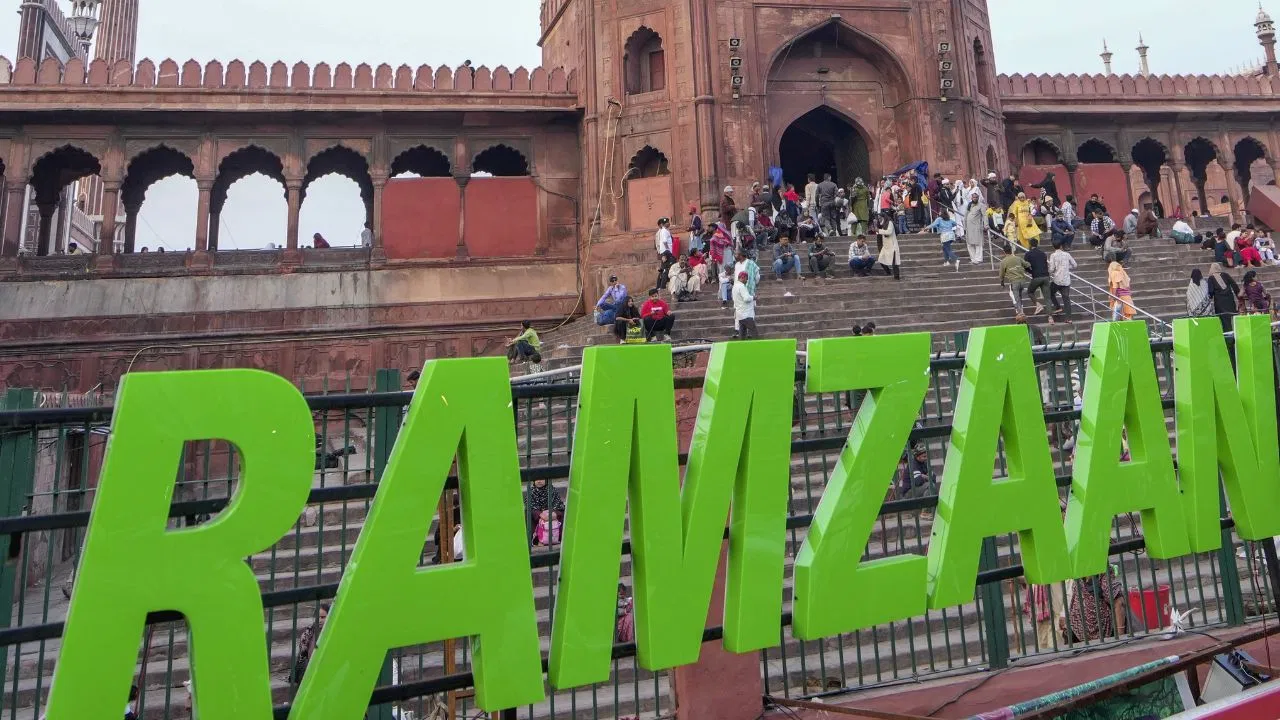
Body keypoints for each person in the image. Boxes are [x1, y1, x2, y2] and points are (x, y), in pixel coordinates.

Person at [1066, 567, 1127, 642]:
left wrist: (1120, 636)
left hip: (1104, 630)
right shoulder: (1078, 577)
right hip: (1079, 630)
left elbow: (1119, 603)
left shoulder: (1103, 574)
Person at [290, 604, 330, 692]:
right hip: (310, 666)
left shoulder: (332, 632)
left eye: (323, 617)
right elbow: (302, 655)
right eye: (317, 617)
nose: (319, 620)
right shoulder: (309, 632)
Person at [998, 242, 1032, 318]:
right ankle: (1021, 311)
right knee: (1020, 296)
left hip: (1014, 282)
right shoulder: (1018, 258)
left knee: (1017, 298)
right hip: (1022, 280)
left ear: (1004, 252)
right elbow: (1027, 264)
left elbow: (1001, 274)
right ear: (1011, 250)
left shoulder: (1003, 261)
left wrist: (1002, 282)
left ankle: (1020, 313)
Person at [1206, 263, 1241, 332]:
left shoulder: (1211, 278)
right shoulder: (1225, 275)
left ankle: (1227, 335)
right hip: (1229, 299)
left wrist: (1210, 297)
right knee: (1232, 315)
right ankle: (1235, 332)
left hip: (1219, 302)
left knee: (1223, 318)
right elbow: (1234, 285)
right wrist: (1238, 294)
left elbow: (1211, 291)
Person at [1048, 241, 1077, 323]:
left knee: (1050, 292)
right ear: (1061, 246)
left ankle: (1057, 306)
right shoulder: (1067, 254)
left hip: (1057, 279)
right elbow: (1075, 265)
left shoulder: (1053, 255)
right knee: (1066, 299)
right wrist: (1067, 267)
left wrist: (1049, 272)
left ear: (1053, 247)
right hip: (1066, 280)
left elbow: (1051, 269)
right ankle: (1069, 318)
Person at [1024, 238, 1051, 316]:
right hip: (1046, 276)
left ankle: (1038, 305)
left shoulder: (1028, 254)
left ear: (1030, 245)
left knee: (1030, 292)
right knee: (1047, 298)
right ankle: (1050, 317)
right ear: (1037, 244)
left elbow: (1025, 266)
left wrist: (1031, 272)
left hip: (1036, 277)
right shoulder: (1043, 253)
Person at [875, 212, 901, 279]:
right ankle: (888, 271)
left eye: (880, 218)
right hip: (885, 246)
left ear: (883, 217)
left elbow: (889, 232)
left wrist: (879, 230)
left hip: (892, 245)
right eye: (878, 218)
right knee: (880, 259)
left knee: (894, 262)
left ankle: (896, 276)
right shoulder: (880, 225)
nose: (879, 219)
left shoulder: (890, 223)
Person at [732, 271, 757, 339]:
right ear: (743, 277)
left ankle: (741, 345)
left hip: (740, 314)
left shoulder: (735, 287)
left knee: (742, 335)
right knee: (754, 333)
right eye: (746, 279)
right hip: (746, 314)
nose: (746, 281)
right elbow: (746, 298)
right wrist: (753, 297)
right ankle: (758, 345)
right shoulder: (741, 286)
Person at [963, 190, 986, 263]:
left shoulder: (981, 205)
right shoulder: (969, 205)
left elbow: (985, 216)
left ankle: (978, 259)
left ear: (978, 198)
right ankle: (973, 259)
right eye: (973, 197)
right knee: (969, 244)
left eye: (976, 197)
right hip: (969, 228)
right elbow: (965, 216)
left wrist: (986, 225)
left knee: (978, 243)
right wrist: (964, 227)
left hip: (976, 228)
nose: (975, 198)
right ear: (971, 198)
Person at [655, 217, 676, 289]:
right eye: (667, 222)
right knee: (665, 270)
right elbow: (664, 241)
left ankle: (659, 286)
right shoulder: (664, 231)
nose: (669, 223)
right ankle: (661, 286)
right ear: (663, 224)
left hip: (665, 252)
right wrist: (667, 251)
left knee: (663, 269)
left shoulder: (665, 230)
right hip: (666, 252)